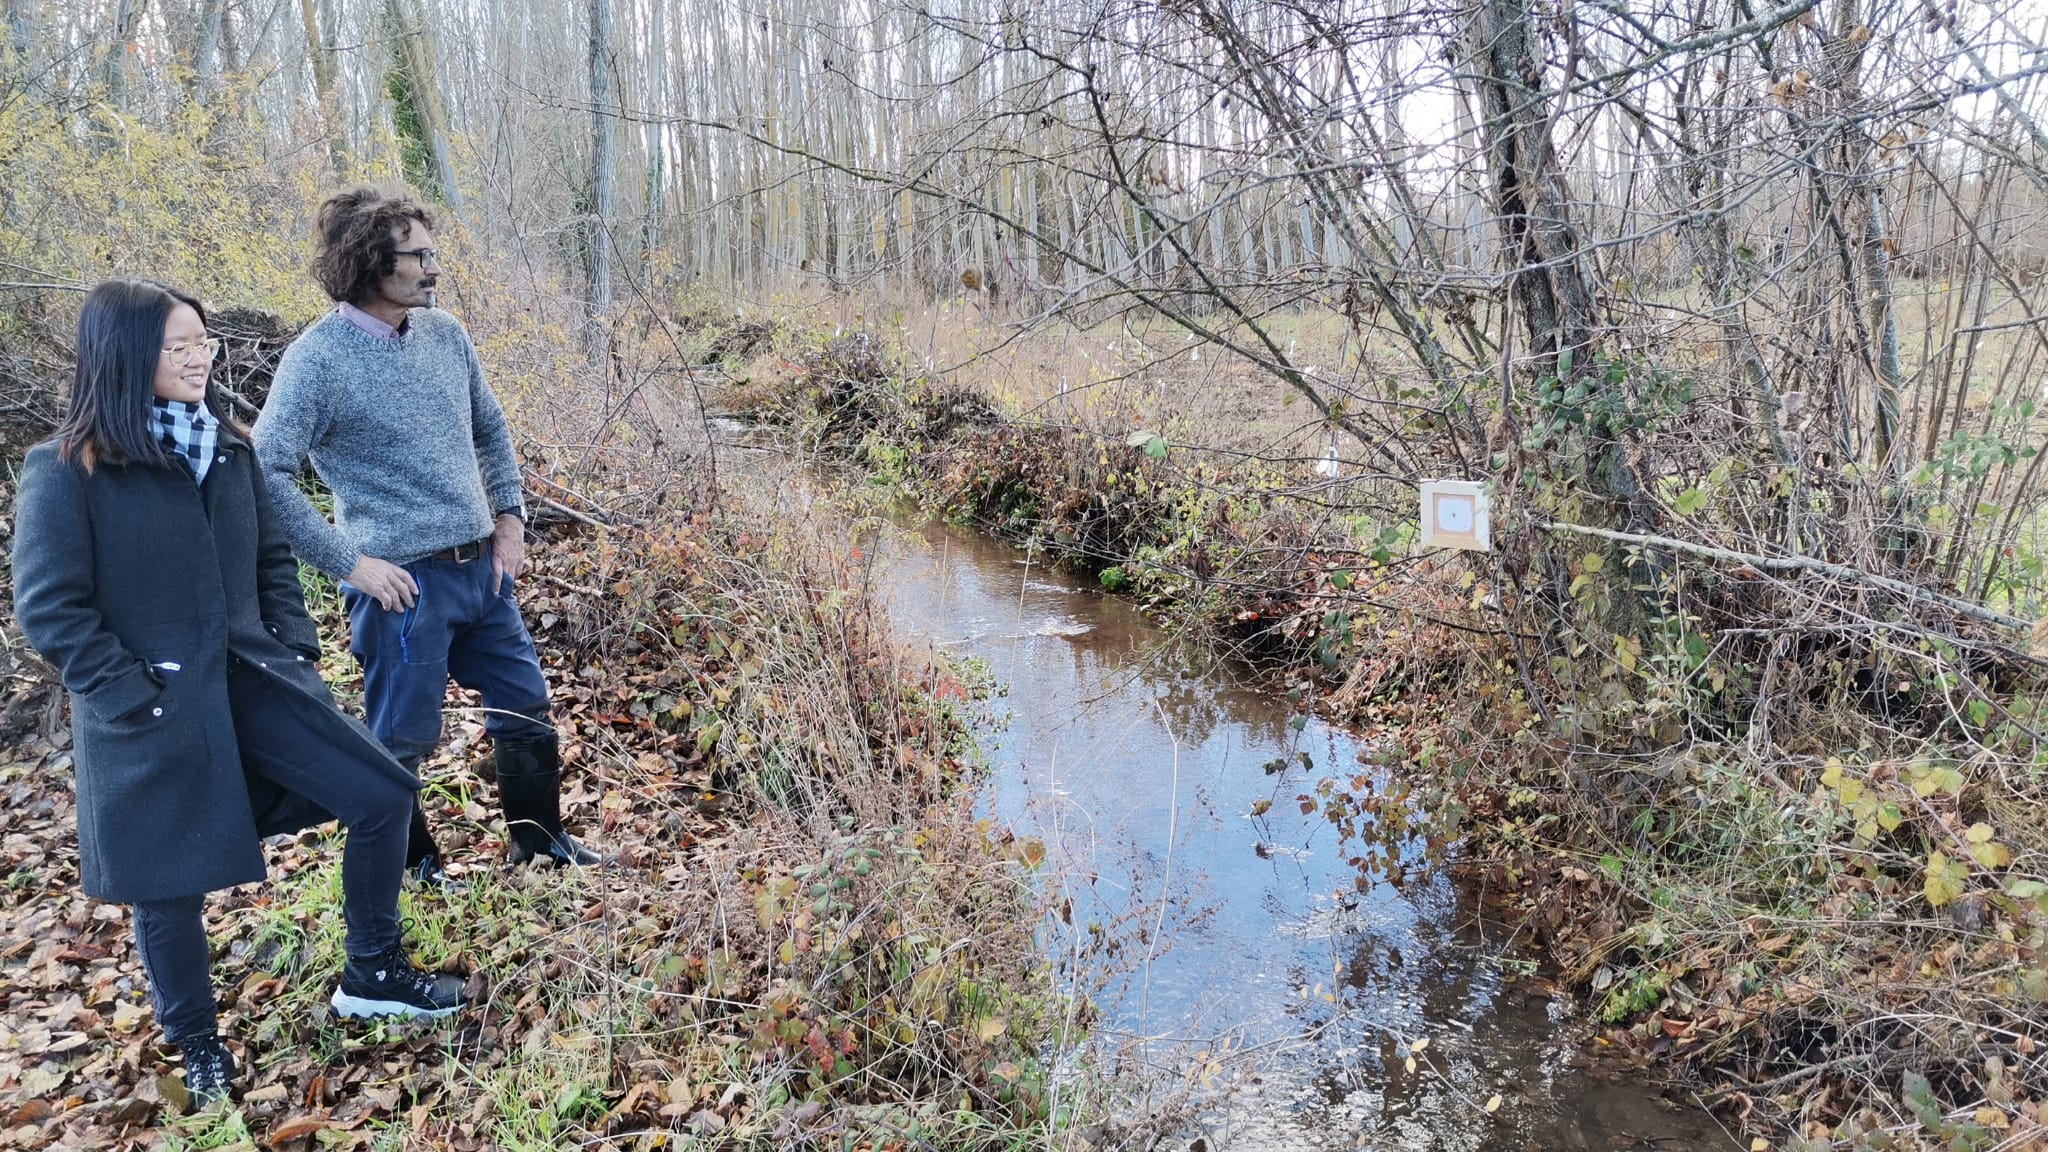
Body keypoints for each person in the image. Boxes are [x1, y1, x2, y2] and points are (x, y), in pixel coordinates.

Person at [11, 279, 469, 1110]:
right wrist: (133, 696)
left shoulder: (228, 449)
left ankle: (372, 970)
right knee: (167, 885)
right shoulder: (66, 470)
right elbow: (50, 609)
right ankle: (198, 1047)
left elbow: (270, 565)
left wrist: (294, 651)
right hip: (147, 711)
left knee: (382, 791)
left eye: (204, 341)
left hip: (258, 681)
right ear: (123, 358)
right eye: (179, 346)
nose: (200, 357)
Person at [255, 186, 603, 883]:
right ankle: (414, 868)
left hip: (483, 574)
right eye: (419, 256)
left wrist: (511, 518)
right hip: (402, 588)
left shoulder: (446, 335)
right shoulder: (317, 360)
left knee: (524, 705)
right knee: (400, 739)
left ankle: (540, 846)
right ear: (370, 260)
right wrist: (349, 565)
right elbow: (264, 473)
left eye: (430, 253)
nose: (433, 268)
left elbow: (491, 428)